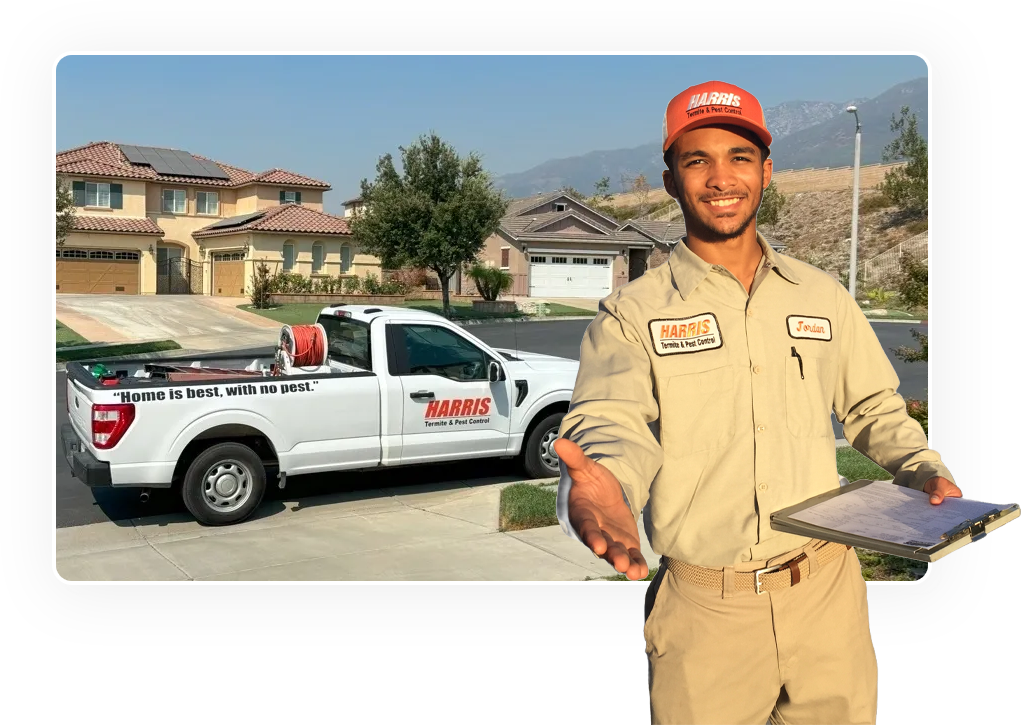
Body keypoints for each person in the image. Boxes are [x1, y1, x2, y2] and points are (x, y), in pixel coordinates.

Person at [552, 80, 958, 725]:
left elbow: (875, 408)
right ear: (669, 179)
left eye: (739, 157)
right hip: (708, 613)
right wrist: (607, 481)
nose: (721, 178)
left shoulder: (821, 296)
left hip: (828, 595)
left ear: (767, 172)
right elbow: (612, 421)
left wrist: (921, 466)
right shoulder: (632, 314)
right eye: (697, 160)